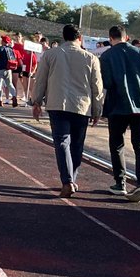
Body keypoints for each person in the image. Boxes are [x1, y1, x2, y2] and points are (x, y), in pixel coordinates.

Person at [31, 24, 104, 198]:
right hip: (82, 106)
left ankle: (67, 180)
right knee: (77, 145)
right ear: (80, 39)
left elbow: (40, 79)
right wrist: (97, 110)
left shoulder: (50, 55)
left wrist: (36, 102)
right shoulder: (91, 58)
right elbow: (97, 87)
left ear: (64, 37)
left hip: (58, 104)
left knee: (62, 142)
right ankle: (72, 179)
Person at [99, 24, 140, 202]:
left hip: (118, 106)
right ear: (126, 37)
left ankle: (120, 183)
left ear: (111, 38)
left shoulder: (106, 56)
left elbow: (106, 83)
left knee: (117, 144)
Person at [0, 34, 19, 107]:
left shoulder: (0, 49)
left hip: (0, 69)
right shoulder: (10, 49)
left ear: (3, 41)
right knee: (10, 84)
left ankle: (0, 101)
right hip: (8, 69)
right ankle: (14, 96)